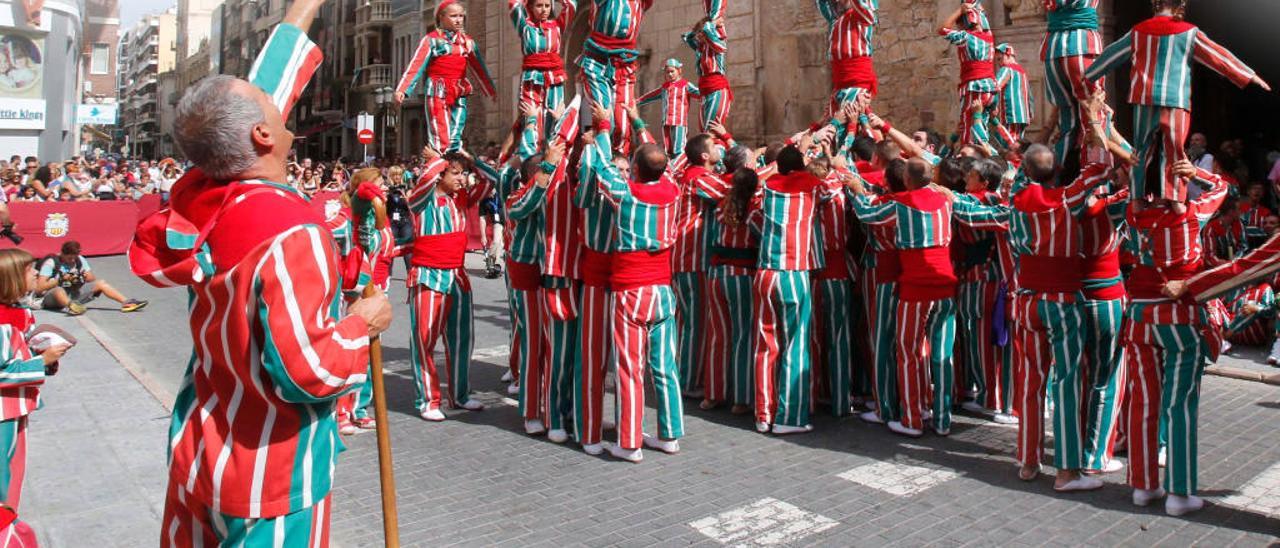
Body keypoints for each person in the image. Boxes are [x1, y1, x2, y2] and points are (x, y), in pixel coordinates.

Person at [128, 0, 394, 543]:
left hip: (201, 454)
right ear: (263, 137)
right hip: (271, 476)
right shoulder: (291, 230)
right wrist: (362, 322)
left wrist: (302, 12)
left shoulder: (203, 201)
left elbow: (255, 95)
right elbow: (307, 371)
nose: (282, 108)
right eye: (270, 111)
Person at [1084, 0, 1268, 202]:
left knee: (1141, 151)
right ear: (1181, 4)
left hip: (1144, 99)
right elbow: (1218, 57)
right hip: (1175, 100)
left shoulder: (1138, 31)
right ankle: (1175, 199)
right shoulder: (1188, 32)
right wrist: (1249, 76)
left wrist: (1088, 75)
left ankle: (1136, 199)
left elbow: (1111, 55)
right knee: (1174, 152)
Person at [1124, 160, 1226, 516]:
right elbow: (1223, 188)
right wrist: (1197, 173)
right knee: (1179, 404)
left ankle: (1143, 485)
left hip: (1138, 317)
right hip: (1179, 317)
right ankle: (1179, 493)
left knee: (1144, 401)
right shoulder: (1192, 216)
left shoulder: (1134, 216)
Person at [589, 110, 684, 462]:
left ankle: (629, 441)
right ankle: (670, 434)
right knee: (665, 366)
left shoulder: (626, 195)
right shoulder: (673, 191)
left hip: (631, 289)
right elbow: (663, 162)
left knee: (630, 367)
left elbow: (601, 170)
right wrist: (640, 125)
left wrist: (601, 127)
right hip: (662, 290)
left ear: (637, 170)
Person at [406, 148, 491, 421]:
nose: (461, 178)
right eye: (455, 173)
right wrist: (438, 157)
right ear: (439, 174)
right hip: (429, 275)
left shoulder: (462, 198)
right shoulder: (422, 198)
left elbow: (492, 181)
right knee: (424, 340)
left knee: (461, 339)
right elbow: (426, 178)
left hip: (457, 276)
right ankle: (428, 399)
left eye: (462, 173)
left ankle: (460, 394)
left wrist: (471, 159)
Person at [0, 248, 71, 514]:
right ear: (12, 277)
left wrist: (46, 357)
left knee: (14, 468)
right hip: (2, 412)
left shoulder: (19, 312)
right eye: (30, 270)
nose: (37, 274)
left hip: (16, 408)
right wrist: (41, 362)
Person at [394, 0, 497, 153]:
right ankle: (439, 166)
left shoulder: (468, 43)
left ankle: (452, 166)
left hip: (459, 90)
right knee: (440, 136)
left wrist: (490, 90)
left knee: (455, 135)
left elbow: (479, 68)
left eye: (461, 16)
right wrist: (403, 89)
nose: (459, 20)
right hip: (438, 90)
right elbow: (416, 65)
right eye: (454, 16)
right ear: (442, 18)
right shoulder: (432, 40)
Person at [575, 0, 654, 156]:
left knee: (622, 128)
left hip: (625, 64)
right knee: (606, 121)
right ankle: (599, 164)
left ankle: (620, 164)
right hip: (598, 61)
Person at [507, 0, 577, 143]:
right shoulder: (524, 26)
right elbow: (513, 4)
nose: (544, 10)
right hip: (532, 78)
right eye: (539, 6)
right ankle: (531, 156)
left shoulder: (557, 25)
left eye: (547, 5)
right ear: (531, 7)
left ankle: (552, 158)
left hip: (555, 78)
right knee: (531, 120)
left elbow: (571, 5)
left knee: (556, 119)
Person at [938, 1, 996, 147]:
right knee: (980, 124)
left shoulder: (966, 37)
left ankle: (970, 158)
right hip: (990, 88)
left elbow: (943, 29)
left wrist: (960, 10)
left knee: (968, 127)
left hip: (974, 86)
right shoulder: (989, 37)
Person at [35, 241, 147, 315]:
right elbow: (39, 288)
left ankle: (127, 302)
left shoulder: (79, 260)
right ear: (62, 254)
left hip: (72, 292)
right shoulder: (51, 263)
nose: (72, 261)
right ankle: (72, 307)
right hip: (52, 298)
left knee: (101, 283)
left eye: (75, 258)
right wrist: (60, 280)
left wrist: (83, 277)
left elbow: (92, 278)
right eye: (69, 258)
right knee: (58, 290)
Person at [817, 0, 878, 116]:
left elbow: (866, 11)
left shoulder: (862, 16)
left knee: (848, 118)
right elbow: (822, 3)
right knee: (834, 121)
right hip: (839, 84)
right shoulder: (835, 20)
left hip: (857, 80)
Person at [637, 59, 701, 158]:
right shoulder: (664, 87)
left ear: (679, 71)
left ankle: (679, 168)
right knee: (667, 149)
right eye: (667, 72)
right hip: (666, 122)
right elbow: (651, 96)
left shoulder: (685, 85)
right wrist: (637, 102)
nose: (670, 74)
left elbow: (699, 93)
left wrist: (710, 91)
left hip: (679, 122)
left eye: (672, 71)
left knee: (679, 148)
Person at [683, 12, 731, 132]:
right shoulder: (701, 48)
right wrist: (697, 31)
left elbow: (708, 31)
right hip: (704, 90)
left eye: (702, 32)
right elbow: (687, 38)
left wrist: (713, 23)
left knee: (711, 128)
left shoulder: (718, 45)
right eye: (699, 33)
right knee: (704, 128)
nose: (700, 35)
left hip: (716, 88)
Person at [993, 43, 1033, 146]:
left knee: (1009, 144)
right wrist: (1030, 113)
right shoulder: (1022, 72)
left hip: (1010, 114)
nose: (998, 63)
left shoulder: (1006, 69)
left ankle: (1013, 162)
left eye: (1000, 59)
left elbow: (996, 86)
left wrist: (991, 105)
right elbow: (1030, 95)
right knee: (1018, 142)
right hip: (1023, 116)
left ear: (1009, 55)